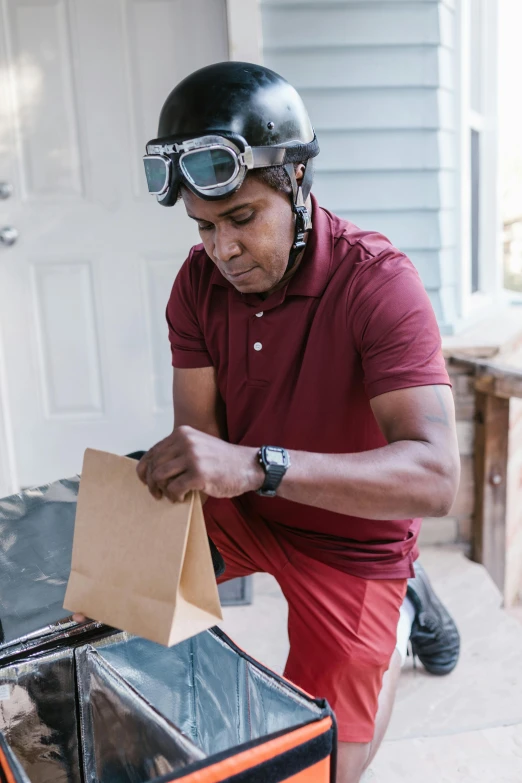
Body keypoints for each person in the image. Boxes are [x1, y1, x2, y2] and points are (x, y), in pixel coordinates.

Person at [137, 62, 461, 783]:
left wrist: (257, 464)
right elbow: (202, 449)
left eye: (242, 218)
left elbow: (438, 479)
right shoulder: (197, 284)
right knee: (113, 593)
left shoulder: (379, 284)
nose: (221, 250)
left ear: (296, 180)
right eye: (204, 226)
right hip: (248, 514)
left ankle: (401, 612)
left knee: (317, 771)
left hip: (353, 541)